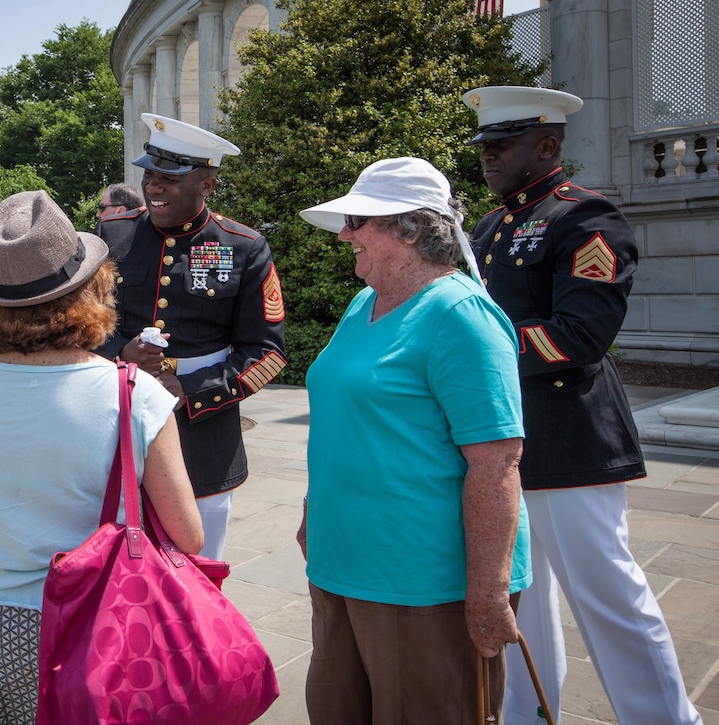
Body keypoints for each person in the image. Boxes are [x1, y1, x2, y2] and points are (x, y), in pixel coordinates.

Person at [463, 86, 703, 725]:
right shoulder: (489, 228)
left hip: (569, 437)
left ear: (549, 144)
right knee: (521, 600)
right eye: (484, 146)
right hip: (503, 443)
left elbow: (581, 334)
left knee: (608, 598)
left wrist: (478, 351)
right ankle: (528, 714)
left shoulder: (587, 218)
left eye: (503, 145)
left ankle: (663, 718)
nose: (488, 158)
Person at [0, 190, 203, 724]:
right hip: (109, 623)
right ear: (90, 290)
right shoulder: (133, 392)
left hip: (1, 624)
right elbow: (188, 535)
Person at [296, 157, 530, 723]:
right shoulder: (362, 303)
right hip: (342, 562)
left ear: (410, 229)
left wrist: (489, 593)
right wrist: (315, 512)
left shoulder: (461, 316)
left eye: (359, 221)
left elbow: (497, 464)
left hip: (421, 582)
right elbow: (348, 421)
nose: (345, 234)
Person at [95, 113, 287, 560]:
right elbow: (79, 322)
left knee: (200, 565)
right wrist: (118, 349)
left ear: (208, 184)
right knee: (118, 560)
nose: (153, 186)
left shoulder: (243, 246)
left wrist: (193, 390)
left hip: (202, 435)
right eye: (149, 174)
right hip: (116, 419)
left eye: (170, 177)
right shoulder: (112, 234)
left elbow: (268, 353)